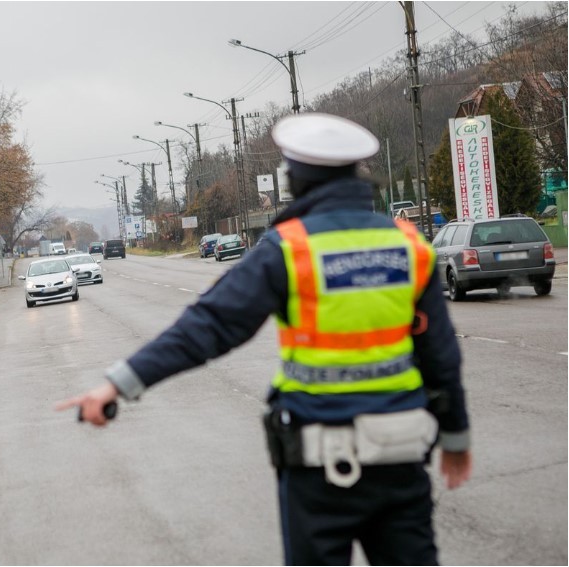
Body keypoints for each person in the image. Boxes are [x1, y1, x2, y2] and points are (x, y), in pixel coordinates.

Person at [56, 113, 472, 565]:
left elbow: (208, 328)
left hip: (318, 470)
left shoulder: (288, 249)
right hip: (401, 462)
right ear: (358, 175)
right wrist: (456, 437)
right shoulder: (409, 245)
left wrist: (117, 384)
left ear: (296, 179)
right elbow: (441, 357)